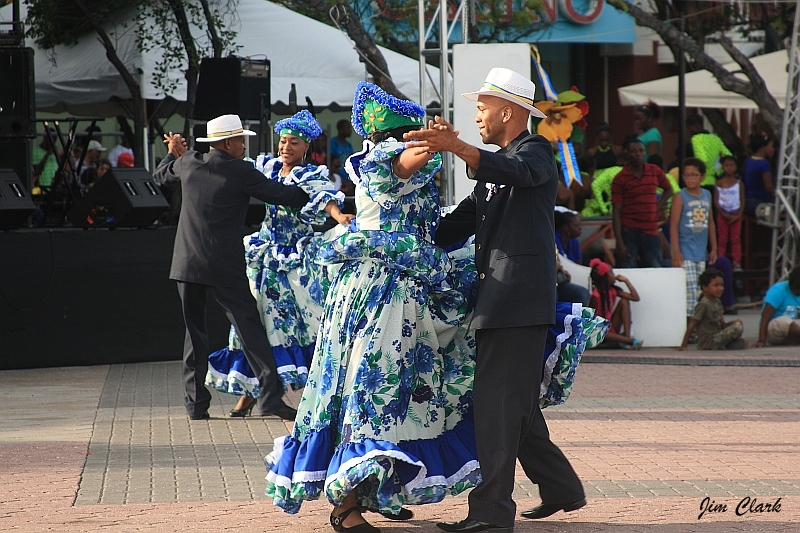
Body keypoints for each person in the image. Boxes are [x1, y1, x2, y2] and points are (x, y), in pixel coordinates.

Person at [264, 82, 480, 531]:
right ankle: (345, 507)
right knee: (369, 389)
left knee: (399, 394)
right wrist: (441, 140)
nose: (416, 141)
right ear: (392, 137)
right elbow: (409, 160)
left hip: (402, 295)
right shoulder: (385, 163)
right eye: (410, 133)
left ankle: (377, 487)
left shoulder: (406, 166)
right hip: (377, 294)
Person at [405, 67, 587, 532]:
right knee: (514, 407)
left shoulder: (535, 151)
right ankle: (561, 488)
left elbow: (518, 171)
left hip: (516, 301)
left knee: (498, 409)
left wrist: (459, 148)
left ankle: (490, 515)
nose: (478, 116)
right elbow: (450, 227)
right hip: (503, 302)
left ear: (508, 111)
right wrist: (395, 210)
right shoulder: (492, 168)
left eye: (482, 107)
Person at [153, 114, 310, 421]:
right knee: (250, 329)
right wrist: (313, 186)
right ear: (227, 143)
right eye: (241, 140)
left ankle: (196, 405)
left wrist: (173, 151)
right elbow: (284, 195)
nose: (244, 145)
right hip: (224, 266)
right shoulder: (241, 171)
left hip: (186, 264)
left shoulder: (189, 163)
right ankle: (270, 398)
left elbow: (161, 175)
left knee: (194, 334)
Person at [205, 110, 351, 417]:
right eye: (283, 141)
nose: (285, 147)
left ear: (306, 147)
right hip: (266, 258)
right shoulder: (266, 167)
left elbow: (323, 197)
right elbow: (225, 163)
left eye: (294, 143)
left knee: (300, 325)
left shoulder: (311, 174)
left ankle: (302, 391)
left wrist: (338, 216)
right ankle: (252, 389)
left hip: (296, 261)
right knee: (255, 322)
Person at [612, 138, 673, 268]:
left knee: (655, 268)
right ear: (627, 153)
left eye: (641, 151)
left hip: (650, 230)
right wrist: (620, 242)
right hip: (629, 231)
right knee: (628, 269)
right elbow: (616, 210)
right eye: (634, 151)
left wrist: (658, 204)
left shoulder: (655, 171)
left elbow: (669, 189)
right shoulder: (620, 179)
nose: (638, 154)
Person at [670, 158, 717, 318]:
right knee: (690, 289)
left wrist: (714, 248)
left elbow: (710, 222)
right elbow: (674, 225)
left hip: (701, 250)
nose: (690, 179)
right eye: (687, 175)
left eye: (694, 175)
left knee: (701, 288)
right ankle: (689, 323)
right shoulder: (680, 196)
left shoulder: (707, 195)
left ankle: (696, 324)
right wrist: (676, 251)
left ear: (702, 176)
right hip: (685, 249)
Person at [675, 268, 746, 351]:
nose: (720, 288)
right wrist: (683, 345)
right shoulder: (704, 304)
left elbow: (723, 324)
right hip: (709, 341)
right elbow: (692, 324)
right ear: (705, 287)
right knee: (737, 327)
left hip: (718, 336)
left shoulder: (717, 301)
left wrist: (734, 323)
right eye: (716, 285)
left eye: (721, 285)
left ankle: (723, 345)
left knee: (741, 338)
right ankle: (717, 346)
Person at [588, 258, 642, 349]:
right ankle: (630, 341)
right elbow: (591, 323)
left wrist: (626, 281)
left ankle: (626, 339)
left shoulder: (613, 290)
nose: (614, 275)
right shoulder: (595, 296)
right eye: (612, 273)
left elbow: (635, 298)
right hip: (598, 332)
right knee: (600, 330)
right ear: (606, 277)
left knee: (624, 301)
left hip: (610, 328)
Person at [752, 267, 800, 347]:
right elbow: (765, 317)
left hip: (793, 331)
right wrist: (761, 340)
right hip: (775, 329)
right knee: (783, 321)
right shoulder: (779, 290)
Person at [713, 155, 744, 271]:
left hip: (736, 214)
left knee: (735, 239)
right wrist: (722, 213)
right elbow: (716, 201)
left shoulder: (739, 183)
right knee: (722, 239)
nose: (729, 168)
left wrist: (739, 215)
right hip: (722, 214)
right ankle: (721, 260)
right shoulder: (719, 183)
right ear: (722, 167)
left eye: (732, 165)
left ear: (736, 167)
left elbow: (742, 200)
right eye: (726, 165)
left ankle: (737, 262)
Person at [685, 114, 732, 186]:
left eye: (689, 128)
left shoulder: (696, 139)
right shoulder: (716, 139)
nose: (688, 132)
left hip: (701, 182)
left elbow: (701, 159)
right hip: (714, 181)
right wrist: (718, 171)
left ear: (696, 126)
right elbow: (729, 156)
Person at [743, 133, 776, 216]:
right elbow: (769, 187)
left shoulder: (749, 161)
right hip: (760, 204)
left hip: (748, 202)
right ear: (762, 148)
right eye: (771, 146)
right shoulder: (763, 164)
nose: (773, 149)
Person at [330, 119, 356, 195]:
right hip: (338, 179)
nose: (350, 130)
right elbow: (332, 163)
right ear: (341, 130)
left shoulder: (348, 145)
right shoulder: (333, 143)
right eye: (348, 128)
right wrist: (343, 180)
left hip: (349, 179)